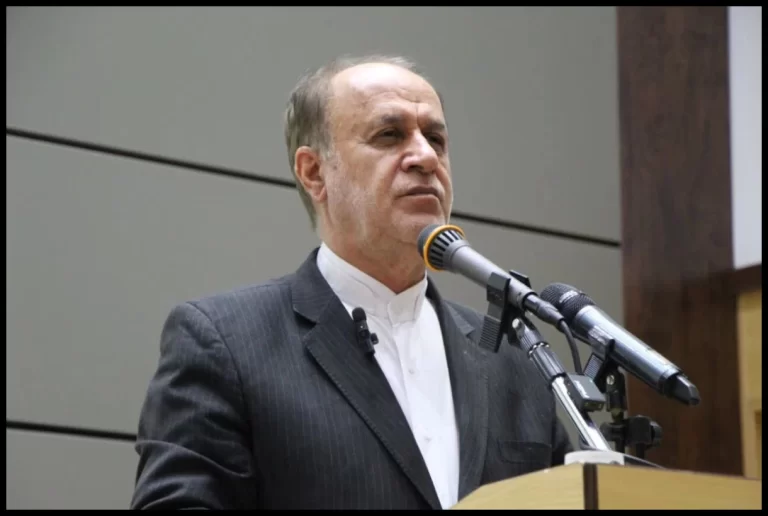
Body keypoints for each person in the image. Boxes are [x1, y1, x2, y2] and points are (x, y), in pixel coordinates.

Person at [130, 54, 573, 510]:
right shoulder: (224, 343)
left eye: (436, 138)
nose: (425, 156)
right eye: (389, 135)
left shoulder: (516, 363)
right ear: (314, 172)